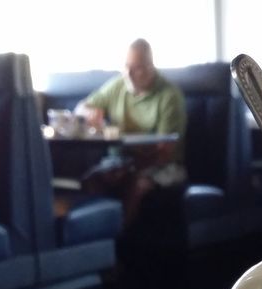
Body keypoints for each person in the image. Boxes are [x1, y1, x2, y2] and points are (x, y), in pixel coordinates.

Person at [74, 39, 186, 228]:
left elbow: (164, 151)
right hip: (121, 161)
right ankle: (96, 240)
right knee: (91, 180)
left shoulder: (169, 96)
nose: (129, 74)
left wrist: (130, 169)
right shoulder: (119, 84)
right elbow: (81, 107)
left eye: (136, 69)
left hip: (165, 165)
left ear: (150, 68)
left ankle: (122, 242)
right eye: (126, 67)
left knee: (136, 184)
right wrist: (89, 112)